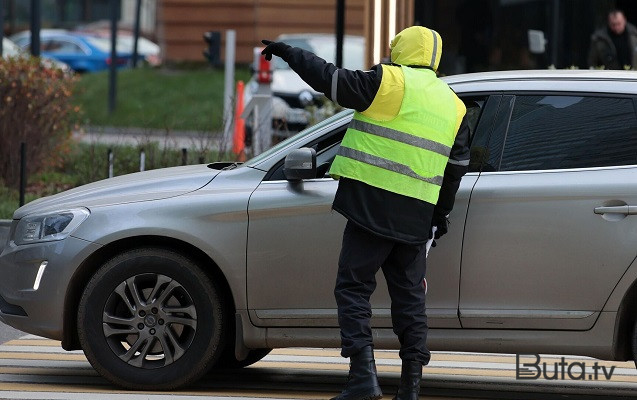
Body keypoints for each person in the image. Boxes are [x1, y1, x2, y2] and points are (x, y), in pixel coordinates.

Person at [262, 26, 470, 400]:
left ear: (401, 49)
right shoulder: (453, 104)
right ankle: (410, 388)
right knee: (410, 300)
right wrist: (438, 217)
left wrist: (290, 52)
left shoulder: (388, 81)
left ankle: (362, 379)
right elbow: (456, 169)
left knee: (354, 288)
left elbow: (330, 79)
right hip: (417, 215)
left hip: (373, 206)